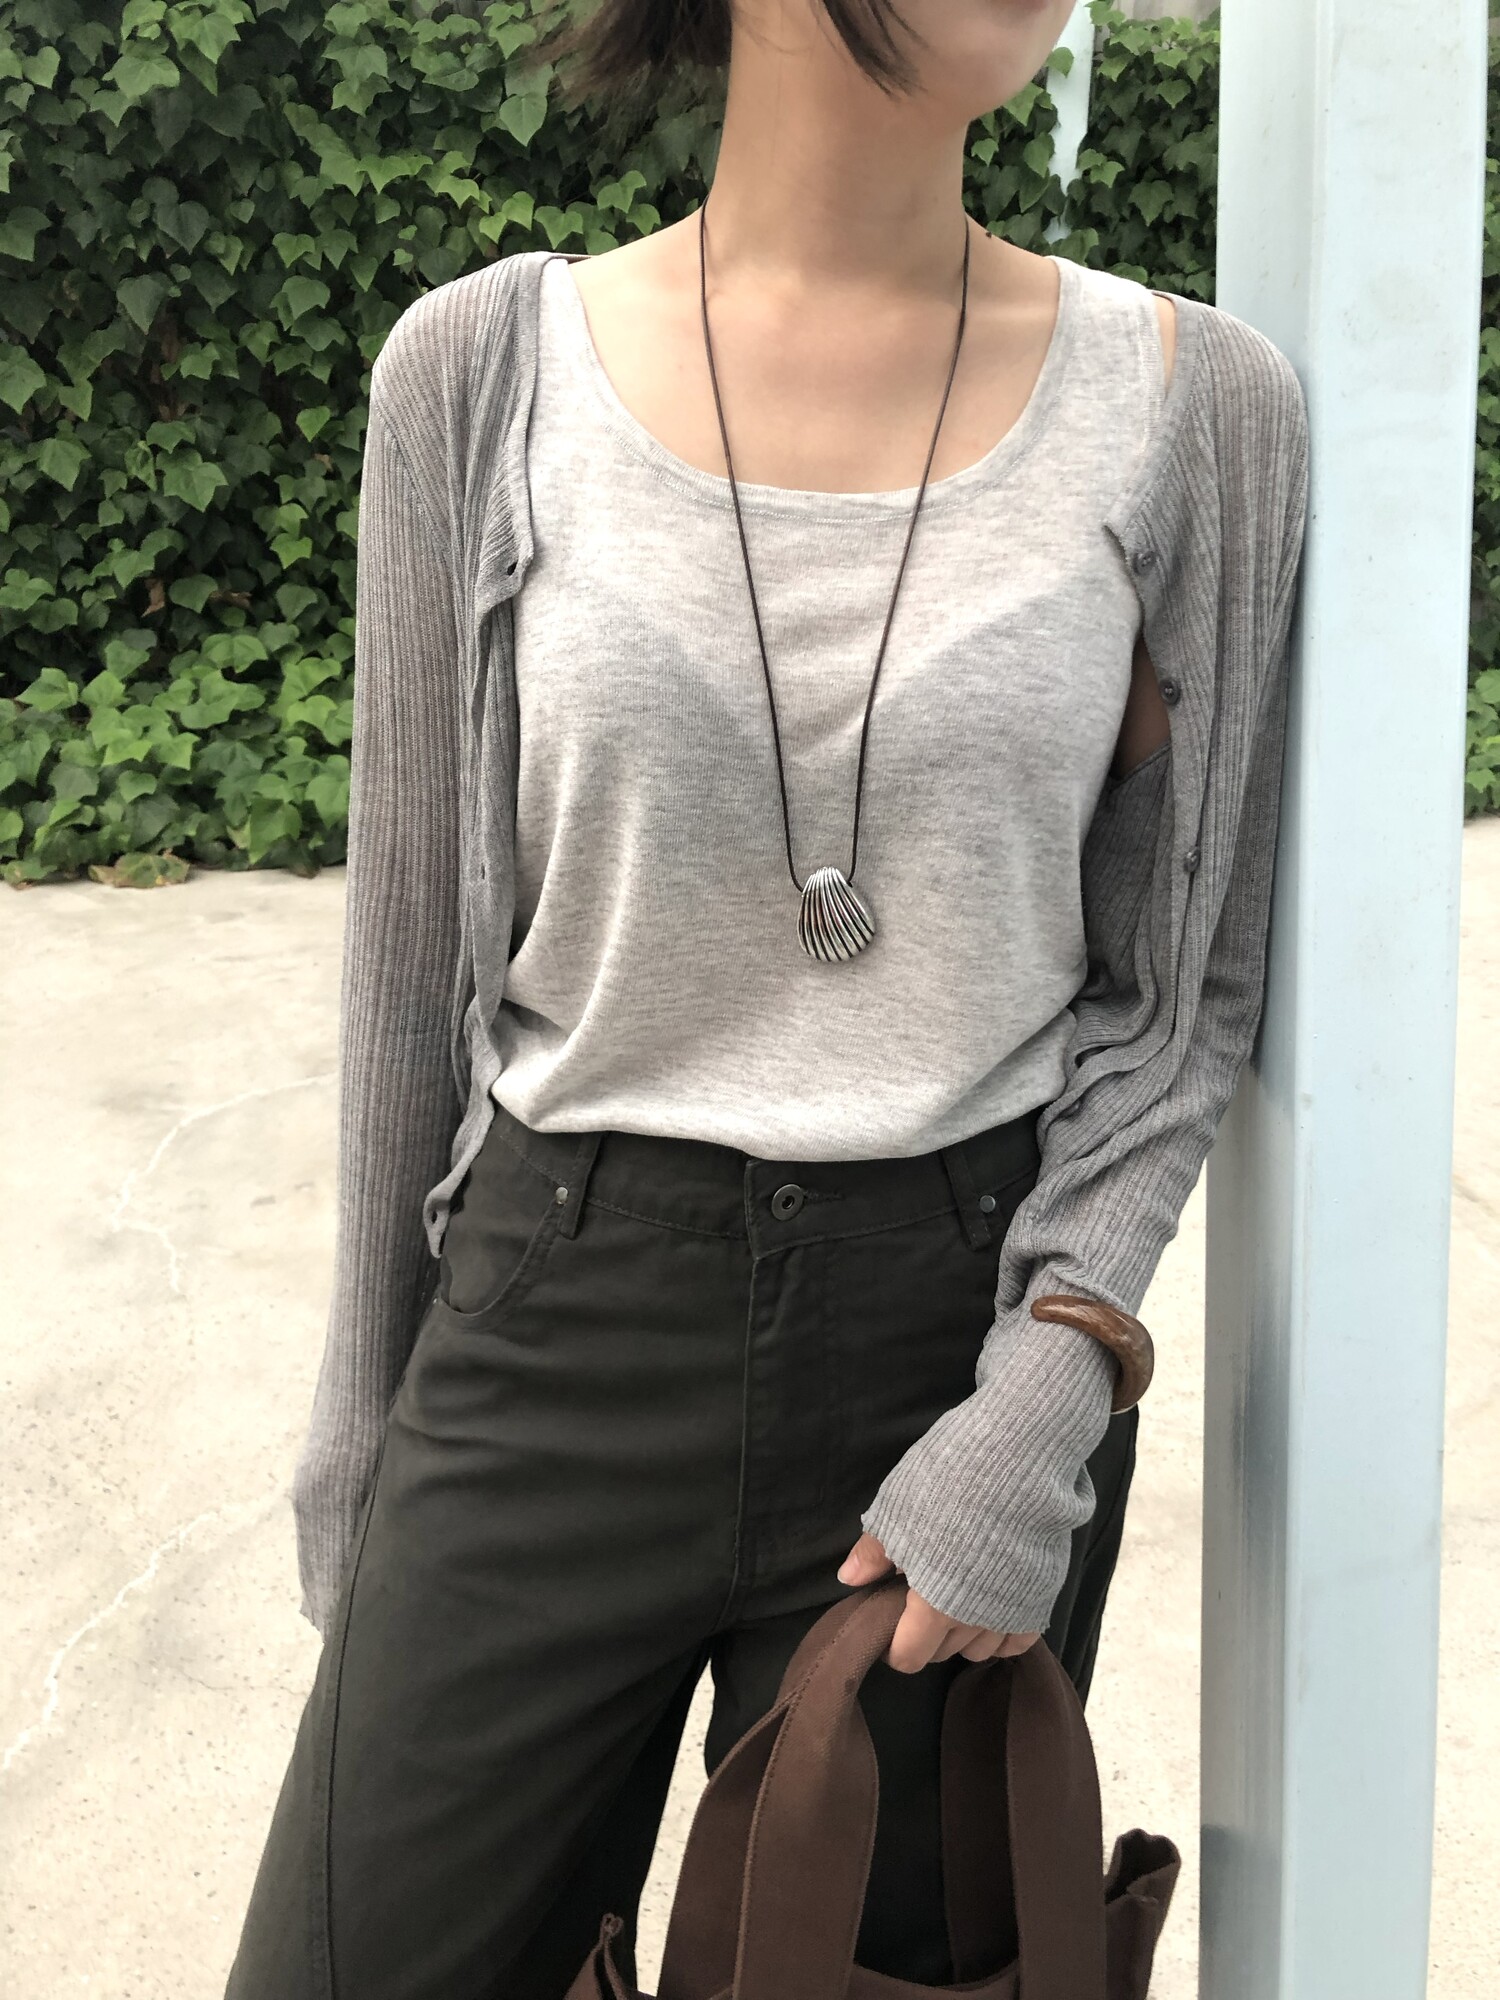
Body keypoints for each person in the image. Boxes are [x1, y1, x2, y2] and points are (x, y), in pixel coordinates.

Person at [224, 2, 1310, 1996]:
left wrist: (1049, 1392)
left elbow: (1180, 999)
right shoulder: (481, 371)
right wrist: (361, 1428)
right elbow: (408, 975)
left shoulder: (1191, 406)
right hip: (554, 1307)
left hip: (951, 1353)